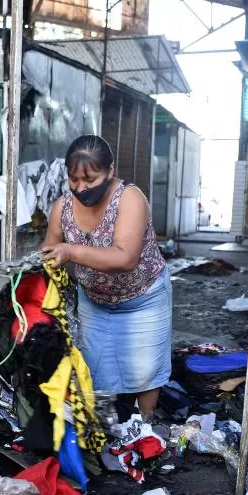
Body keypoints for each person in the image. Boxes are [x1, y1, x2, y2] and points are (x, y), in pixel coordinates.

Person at [41, 135, 171, 421]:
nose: (81, 187)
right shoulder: (61, 209)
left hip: (143, 298)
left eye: (90, 179)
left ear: (110, 171)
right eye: (74, 180)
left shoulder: (130, 198)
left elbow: (125, 258)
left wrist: (71, 251)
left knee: (144, 370)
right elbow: (50, 253)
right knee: (95, 371)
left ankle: (144, 427)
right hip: (95, 302)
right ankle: (104, 431)